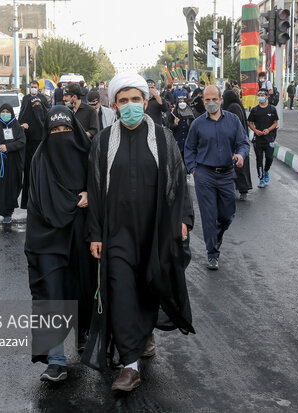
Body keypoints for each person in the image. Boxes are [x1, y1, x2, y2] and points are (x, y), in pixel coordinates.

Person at [83, 72, 195, 392]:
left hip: (155, 230)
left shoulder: (162, 138)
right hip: (116, 233)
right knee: (120, 290)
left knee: (148, 288)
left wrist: (183, 218)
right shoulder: (103, 141)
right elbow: (94, 187)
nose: (130, 105)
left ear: (145, 102)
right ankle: (129, 364)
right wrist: (95, 234)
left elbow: (178, 178)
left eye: (135, 99)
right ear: (114, 106)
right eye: (123, 100)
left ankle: (144, 333)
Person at [24, 105, 92, 382]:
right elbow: (38, 203)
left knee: (83, 290)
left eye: (66, 129)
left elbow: (104, 187)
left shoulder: (88, 154)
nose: (61, 135)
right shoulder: (40, 160)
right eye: (55, 130)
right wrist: (74, 201)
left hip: (83, 237)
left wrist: (92, 193)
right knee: (51, 296)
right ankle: (55, 360)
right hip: (48, 239)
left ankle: (84, 337)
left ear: (74, 130)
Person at [185, 85, 250, 270]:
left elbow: (243, 143)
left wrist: (240, 155)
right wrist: (193, 169)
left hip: (227, 174)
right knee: (208, 216)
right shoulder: (198, 124)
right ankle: (212, 253)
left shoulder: (233, 120)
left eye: (214, 99)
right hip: (204, 174)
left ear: (221, 100)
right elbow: (189, 148)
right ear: (203, 101)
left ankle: (218, 234)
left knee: (227, 215)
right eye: (207, 99)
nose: (211, 103)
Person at [19, 80, 50, 209]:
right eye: (31, 87)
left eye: (35, 87)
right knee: (28, 171)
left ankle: (42, 202)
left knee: (40, 171)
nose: (33, 89)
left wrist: (39, 105)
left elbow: (46, 114)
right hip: (28, 140)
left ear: (38, 88)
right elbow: (22, 115)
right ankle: (27, 203)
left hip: (40, 139)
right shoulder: (25, 99)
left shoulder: (43, 99)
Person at [222, 89, 252, 200]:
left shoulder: (233, 108)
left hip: (236, 142)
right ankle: (240, 189)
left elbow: (233, 126)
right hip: (240, 141)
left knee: (238, 167)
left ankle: (242, 190)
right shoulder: (237, 106)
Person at [248, 88, 279, 189]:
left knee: (269, 158)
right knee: (259, 160)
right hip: (258, 140)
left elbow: (275, 123)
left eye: (262, 95)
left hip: (269, 139)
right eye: (259, 95)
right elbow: (250, 123)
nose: (260, 97)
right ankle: (261, 179)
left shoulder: (272, 109)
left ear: (267, 97)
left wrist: (268, 130)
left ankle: (266, 171)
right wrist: (256, 131)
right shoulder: (255, 110)